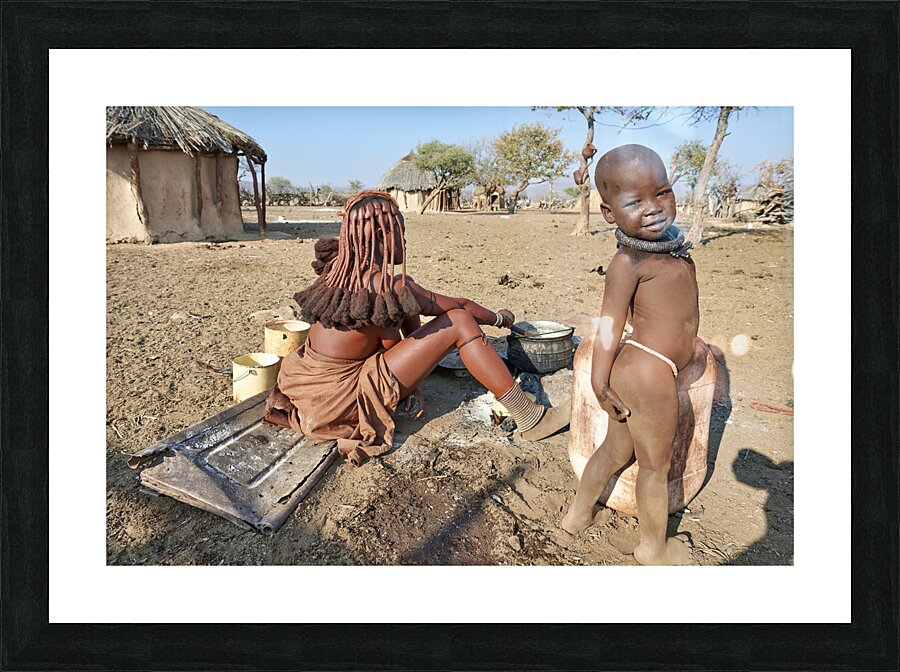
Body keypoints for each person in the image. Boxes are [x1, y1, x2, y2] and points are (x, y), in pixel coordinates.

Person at [264, 190, 569, 467]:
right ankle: (530, 418)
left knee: (407, 302)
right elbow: (456, 308)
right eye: (401, 233)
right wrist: (500, 319)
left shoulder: (338, 270)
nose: (406, 242)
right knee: (460, 322)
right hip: (338, 401)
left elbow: (403, 320)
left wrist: (413, 382)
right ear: (383, 237)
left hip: (303, 387)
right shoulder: (384, 288)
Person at [560, 145, 698, 565]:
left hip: (644, 369)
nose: (655, 208)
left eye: (662, 192)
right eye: (635, 201)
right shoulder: (628, 261)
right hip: (648, 371)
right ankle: (653, 548)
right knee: (655, 467)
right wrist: (598, 381)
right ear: (608, 213)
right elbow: (608, 323)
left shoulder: (669, 249)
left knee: (615, 450)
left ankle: (577, 518)